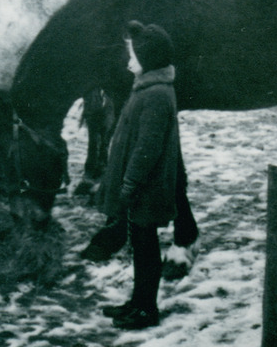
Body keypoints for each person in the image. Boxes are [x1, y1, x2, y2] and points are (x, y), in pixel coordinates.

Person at [94, 20, 180, 330]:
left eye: (134, 55)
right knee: (141, 246)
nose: (129, 61)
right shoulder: (147, 88)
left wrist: (129, 184)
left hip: (146, 186)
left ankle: (147, 309)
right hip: (141, 186)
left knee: (146, 248)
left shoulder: (155, 94)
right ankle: (138, 301)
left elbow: (148, 147)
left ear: (149, 59)